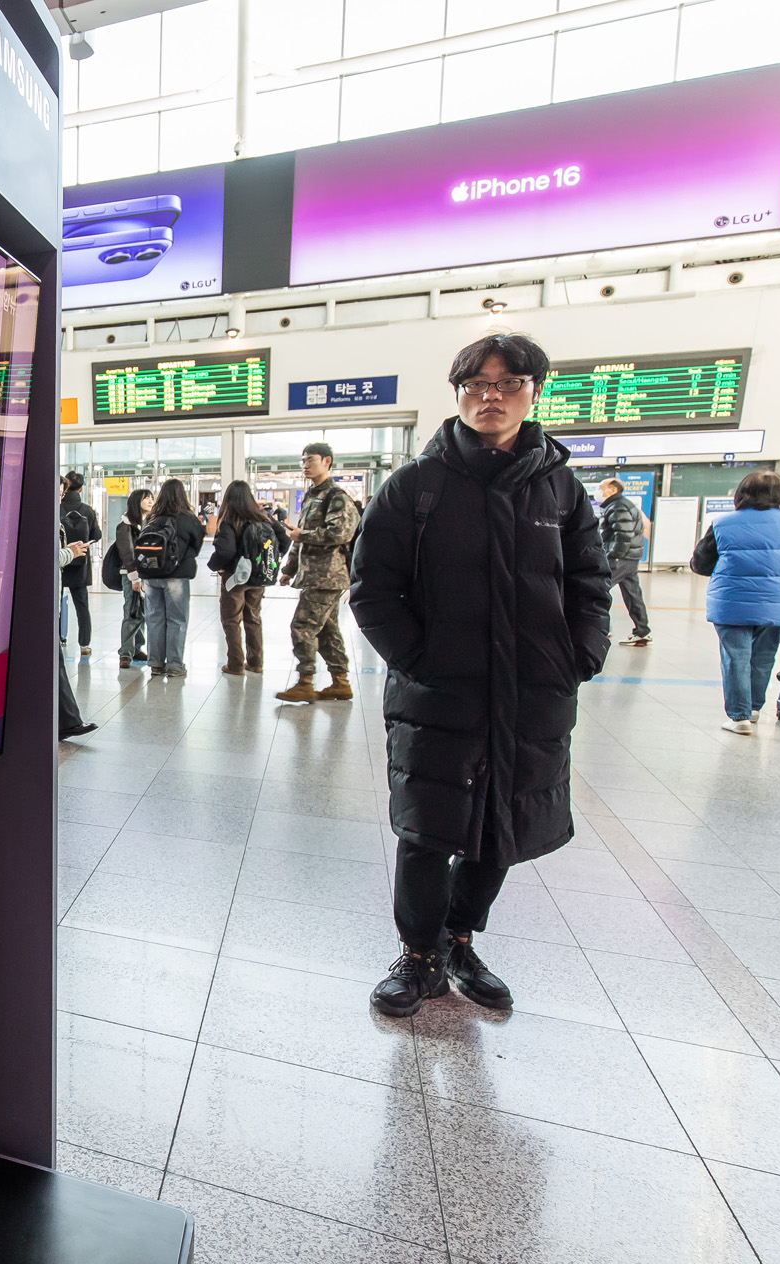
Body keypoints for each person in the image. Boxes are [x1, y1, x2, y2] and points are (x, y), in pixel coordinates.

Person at [349, 333, 611, 1017]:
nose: (490, 396)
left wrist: (580, 655)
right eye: (476, 385)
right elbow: (372, 588)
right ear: (459, 393)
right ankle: (419, 955)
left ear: (534, 392)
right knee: (428, 827)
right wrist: (419, 660)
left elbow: (590, 580)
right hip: (440, 692)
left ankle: (460, 940)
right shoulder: (415, 486)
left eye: (507, 383)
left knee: (503, 824)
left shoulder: (560, 487)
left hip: (533, 691)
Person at [692, 469, 780, 735]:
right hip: (779, 602)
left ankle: (739, 717)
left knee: (736, 657)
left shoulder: (723, 523)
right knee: (764, 656)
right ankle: (754, 708)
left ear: (741, 494)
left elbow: (701, 564)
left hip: (731, 601)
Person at [276, 443, 360, 702]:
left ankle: (305, 682)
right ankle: (340, 682)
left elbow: (340, 533)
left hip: (327, 576)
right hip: (313, 575)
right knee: (326, 630)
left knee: (302, 626)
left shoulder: (336, 497)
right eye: (303, 460)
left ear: (327, 461)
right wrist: (289, 569)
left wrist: (304, 535)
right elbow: (298, 537)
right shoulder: (312, 497)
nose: (305, 465)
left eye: (310, 460)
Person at [207, 479, 284, 676]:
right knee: (253, 618)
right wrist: (270, 560)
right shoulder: (265, 518)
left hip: (236, 578)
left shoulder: (229, 521)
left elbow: (226, 551)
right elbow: (283, 539)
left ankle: (235, 665)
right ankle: (255, 662)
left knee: (232, 620)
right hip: (259, 577)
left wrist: (214, 566)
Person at [139, 478, 205, 678]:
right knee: (177, 620)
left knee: (154, 619)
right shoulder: (188, 518)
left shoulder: (152, 518)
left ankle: (156, 664)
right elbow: (197, 544)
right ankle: (175, 665)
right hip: (177, 575)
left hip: (150, 575)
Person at [597, 478, 652, 646]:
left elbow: (623, 533)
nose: (599, 492)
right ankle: (642, 632)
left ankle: (602, 629)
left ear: (613, 490)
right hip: (630, 558)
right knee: (633, 595)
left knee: (599, 589)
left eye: (601, 488)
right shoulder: (623, 504)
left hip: (620, 558)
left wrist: (615, 555)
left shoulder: (618, 506)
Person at [59, 471, 100, 657]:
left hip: (60, 562)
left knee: (56, 603)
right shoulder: (87, 510)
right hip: (80, 564)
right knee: (82, 606)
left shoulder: (57, 507)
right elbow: (96, 535)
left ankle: (57, 639)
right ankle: (84, 644)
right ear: (81, 489)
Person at [115, 488, 151, 668]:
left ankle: (137, 648)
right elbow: (127, 553)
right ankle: (125, 653)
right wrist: (135, 578)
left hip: (147, 574)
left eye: (151, 498)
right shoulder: (125, 525)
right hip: (131, 575)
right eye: (146, 499)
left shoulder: (150, 523)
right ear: (137, 502)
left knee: (141, 612)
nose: (151, 501)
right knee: (131, 612)